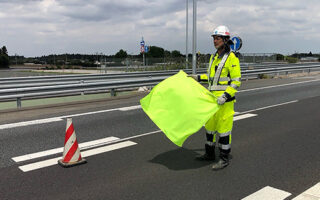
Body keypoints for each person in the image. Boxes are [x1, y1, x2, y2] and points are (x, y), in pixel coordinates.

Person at [190, 25, 241, 170]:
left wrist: (225, 96)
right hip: (212, 101)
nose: (214, 41)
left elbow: (236, 81)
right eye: (214, 38)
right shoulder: (213, 57)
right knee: (210, 129)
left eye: (217, 38)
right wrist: (198, 77)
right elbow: (212, 78)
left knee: (224, 131)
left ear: (225, 40)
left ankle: (224, 158)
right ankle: (209, 154)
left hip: (224, 103)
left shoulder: (232, 58)